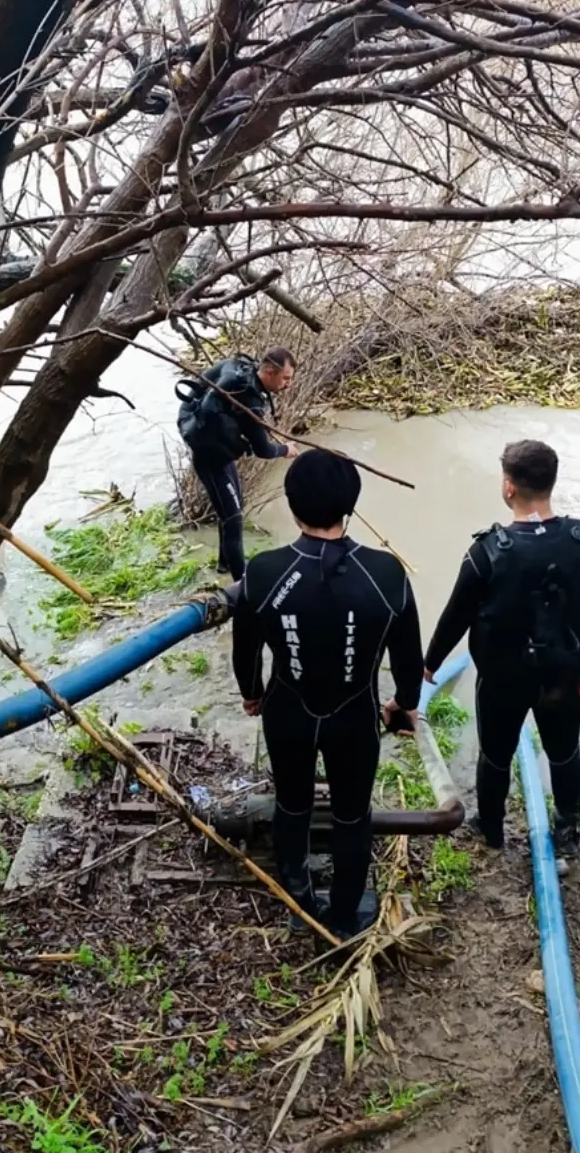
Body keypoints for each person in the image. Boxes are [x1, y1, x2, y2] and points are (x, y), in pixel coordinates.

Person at [232, 449, 423, 938]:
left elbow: (246, 649)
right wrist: (401, 704)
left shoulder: (263, 570)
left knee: (292, 802)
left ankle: (297, 893)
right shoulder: (387, 574)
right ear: (350, 506)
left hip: (288, 710)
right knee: (352, 813)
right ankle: (344, 912)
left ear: (292, 506)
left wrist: (252, 693)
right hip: (355, 714)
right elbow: (407, 661)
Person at [423, 439, 580, 867]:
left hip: (502, 680)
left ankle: (491, 829)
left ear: (508, 487)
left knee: (495, 754)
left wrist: (430, 663)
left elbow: (455, 616)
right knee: (565, 752)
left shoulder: (487, 552)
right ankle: (567, 831)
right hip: (565, 676)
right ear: (551, 482)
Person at [176, 348, 299, 581]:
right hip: (210, 459)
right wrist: (286, 450)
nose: (288, 385)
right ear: (270, 372)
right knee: (233, 519)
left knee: (234, 508)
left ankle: (225, 564)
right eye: (286, 378)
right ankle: (241, 583)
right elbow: (263, 450)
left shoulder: (240, 369)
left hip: (219, 454)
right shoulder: (249, 399)